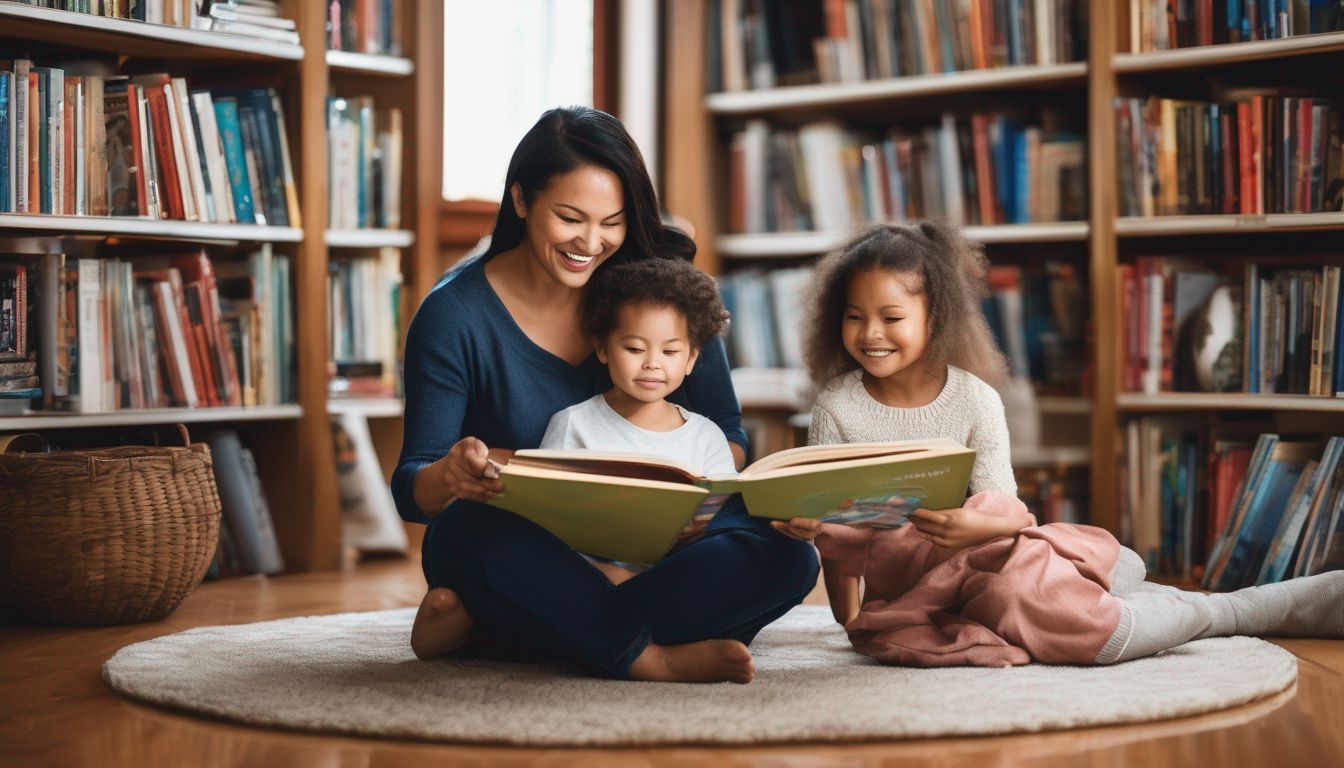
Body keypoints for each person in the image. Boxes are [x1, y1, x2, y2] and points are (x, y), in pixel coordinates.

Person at [775, 221, 1344, 667]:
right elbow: (836, 537)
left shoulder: (973, 399)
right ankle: (1107, 587)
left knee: (1042, 599)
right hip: (915, 588)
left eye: (891, 316)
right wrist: (848, 613)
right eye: (855, 317)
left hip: (989, 553)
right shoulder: (837, 406)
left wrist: (974, 527)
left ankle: (1229, 611)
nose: (870, 333)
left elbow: (1007, 508)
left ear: (936, 317)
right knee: (1045, 606)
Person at [394, 106, 817, 684]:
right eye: (570, 217)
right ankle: (649, 656)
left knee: (790, 557)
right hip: (528, 550)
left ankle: (509, 632)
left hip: (667, 545)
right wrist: (454, 475)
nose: (590, 243)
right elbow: (412, 488)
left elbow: (727, 433)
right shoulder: (454, 314)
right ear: (521, 200)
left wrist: (695, 508)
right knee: (470, 529)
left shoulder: (664, 293)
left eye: (612, 223)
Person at [539, 256, 736, 584]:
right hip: (587, 575)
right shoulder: (573, 424)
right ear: (602, 349)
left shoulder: (706, 436)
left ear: (692, 358)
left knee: (775, 555)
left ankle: (642, 623)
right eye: (634, 349)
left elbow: (723, 518)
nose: (652, 364)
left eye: (670, 352)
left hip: (676, 572)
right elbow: (545, 517)